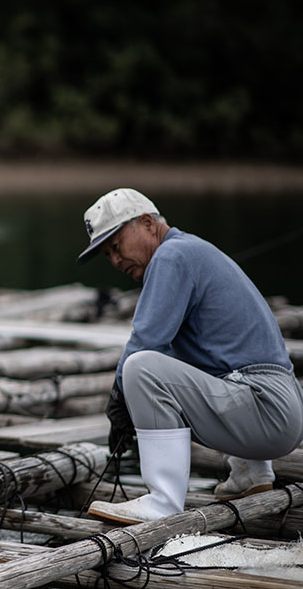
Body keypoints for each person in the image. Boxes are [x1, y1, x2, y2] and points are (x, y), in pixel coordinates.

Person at [76, 187, 303, 525]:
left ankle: (163, 502)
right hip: (279, 406)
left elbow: (145, 342)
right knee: (181, 363)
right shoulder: (189, 249)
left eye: (115, 245)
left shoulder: (172, 256)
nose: (115, 260)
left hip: (266, 407)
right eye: (107, 254)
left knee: (142, 367)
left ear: (147, 223)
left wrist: (118, 399)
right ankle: (251, 475)